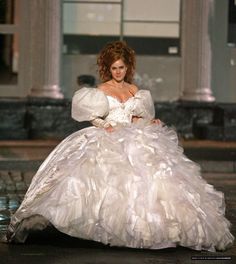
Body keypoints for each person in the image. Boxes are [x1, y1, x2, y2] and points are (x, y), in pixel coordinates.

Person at [3, 41, 234, 252]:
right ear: (107, 68)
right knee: (91, 182)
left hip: (135, 138)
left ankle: (149, 228)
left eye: (121, 67)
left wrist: (150, 122)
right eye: (114, 68)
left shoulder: (136, 91)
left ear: (127, 67)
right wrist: (105, 125)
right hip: (109, 135)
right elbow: (92, 117)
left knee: (153, 183)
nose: (118, 72)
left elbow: (136, 119)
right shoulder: (101, 91)